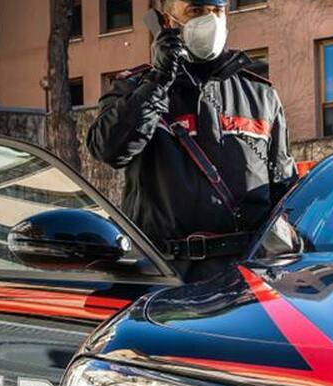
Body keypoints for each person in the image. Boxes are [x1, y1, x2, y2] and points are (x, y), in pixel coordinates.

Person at [88, 0, 295, 281]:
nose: (210, 21)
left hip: (244, 275)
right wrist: (159, 80)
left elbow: (285, 189)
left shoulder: (260, 94)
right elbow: (108, 149)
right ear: (168, 23)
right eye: (195, 11)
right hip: (165, 274)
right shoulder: (135, 88)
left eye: (217, 11)